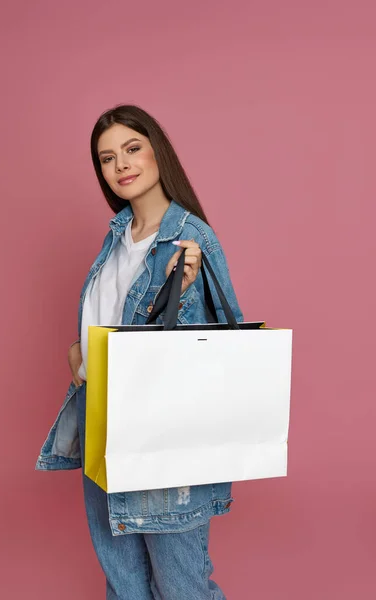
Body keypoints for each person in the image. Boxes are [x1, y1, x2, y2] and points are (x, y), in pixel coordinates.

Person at [36, 104, 244, 599]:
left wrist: (184, 293)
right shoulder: (115, 239)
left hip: (163, 438)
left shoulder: (190, 240)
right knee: (125, 585)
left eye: (132, 149)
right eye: (107, 158)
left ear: (158, 154)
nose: (121, 165)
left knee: (181, 587)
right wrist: (79, 351)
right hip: (102, 427)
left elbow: (222, 345)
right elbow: (109, 322)